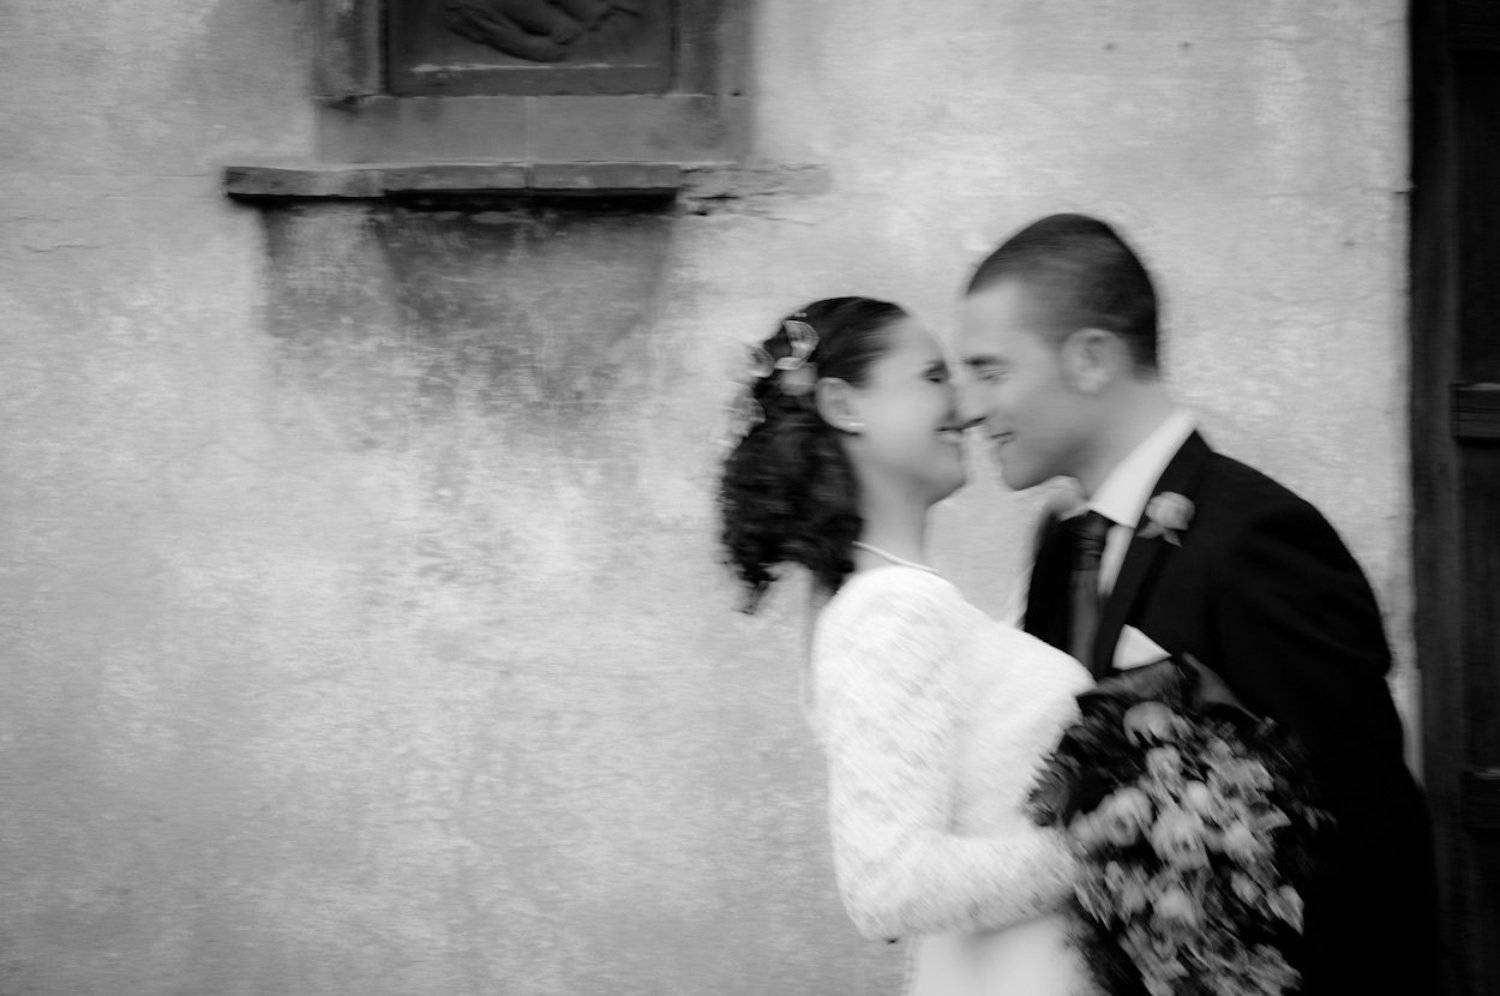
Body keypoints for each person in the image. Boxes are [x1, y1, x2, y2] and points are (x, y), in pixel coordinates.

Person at [956, 213, 1440, 995]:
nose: (971, 408)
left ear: (1090, 358)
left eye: (990, 371)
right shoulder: (1060, 552)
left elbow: (1371, 839)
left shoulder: (1258, 538)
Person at [718, 296, 1099, 995]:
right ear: (844, 405)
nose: (967, 406)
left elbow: (978, 747)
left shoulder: (877, 602)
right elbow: (888, 887)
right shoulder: (893, 610)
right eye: (933, 377)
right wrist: (1108, 850)